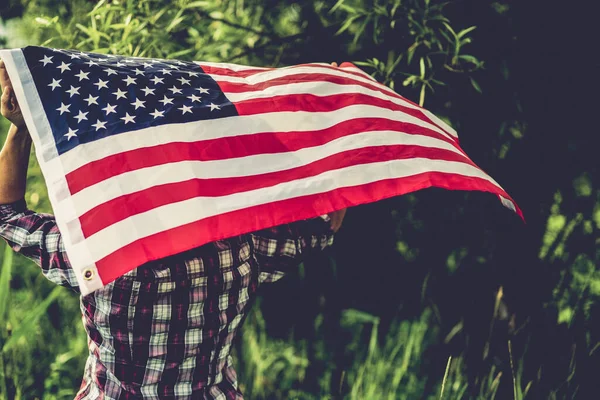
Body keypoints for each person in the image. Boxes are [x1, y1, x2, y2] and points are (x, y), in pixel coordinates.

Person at [0, 59, 347, 399]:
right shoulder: (245, 247)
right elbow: (323, 228)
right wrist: (334, 118)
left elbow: (8, 215)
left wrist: (23, 125)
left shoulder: (96, 250)